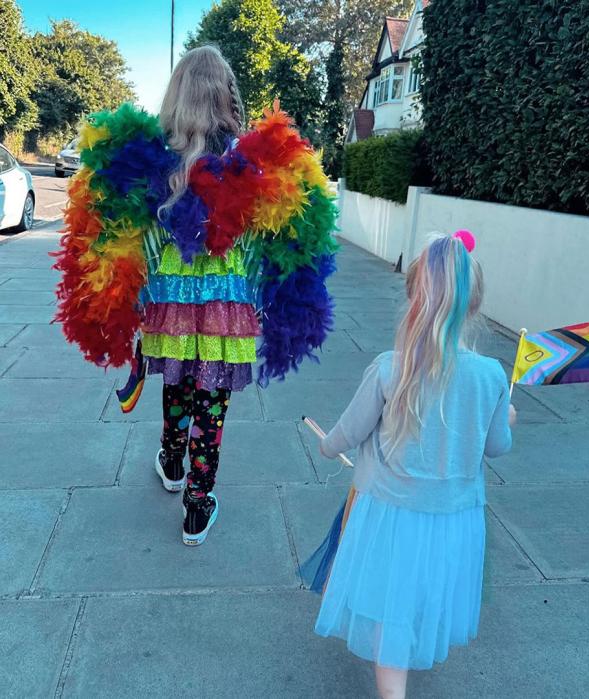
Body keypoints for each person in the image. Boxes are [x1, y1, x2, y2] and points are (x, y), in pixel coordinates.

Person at [53, 45, 337, 546]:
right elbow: (282, 227)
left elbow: (129, 226)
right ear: (225, 94)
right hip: (228, 301)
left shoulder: (153, 159)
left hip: (170, 298)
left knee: (178, 381)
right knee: (213, 396)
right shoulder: (250, 161)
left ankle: (171, 460)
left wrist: (128, 290)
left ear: (178, 94)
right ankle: (198, 505)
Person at [304, 232, 516, 699]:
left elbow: (348, 431)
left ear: (413, 298)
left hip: (388, 513)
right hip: (456, 516)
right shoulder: (492, 376)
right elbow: (498, 447)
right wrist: (508, 414)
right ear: (475, 306)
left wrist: (326, 448)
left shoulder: (388, 368)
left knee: (389, 605)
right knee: (423, 592)